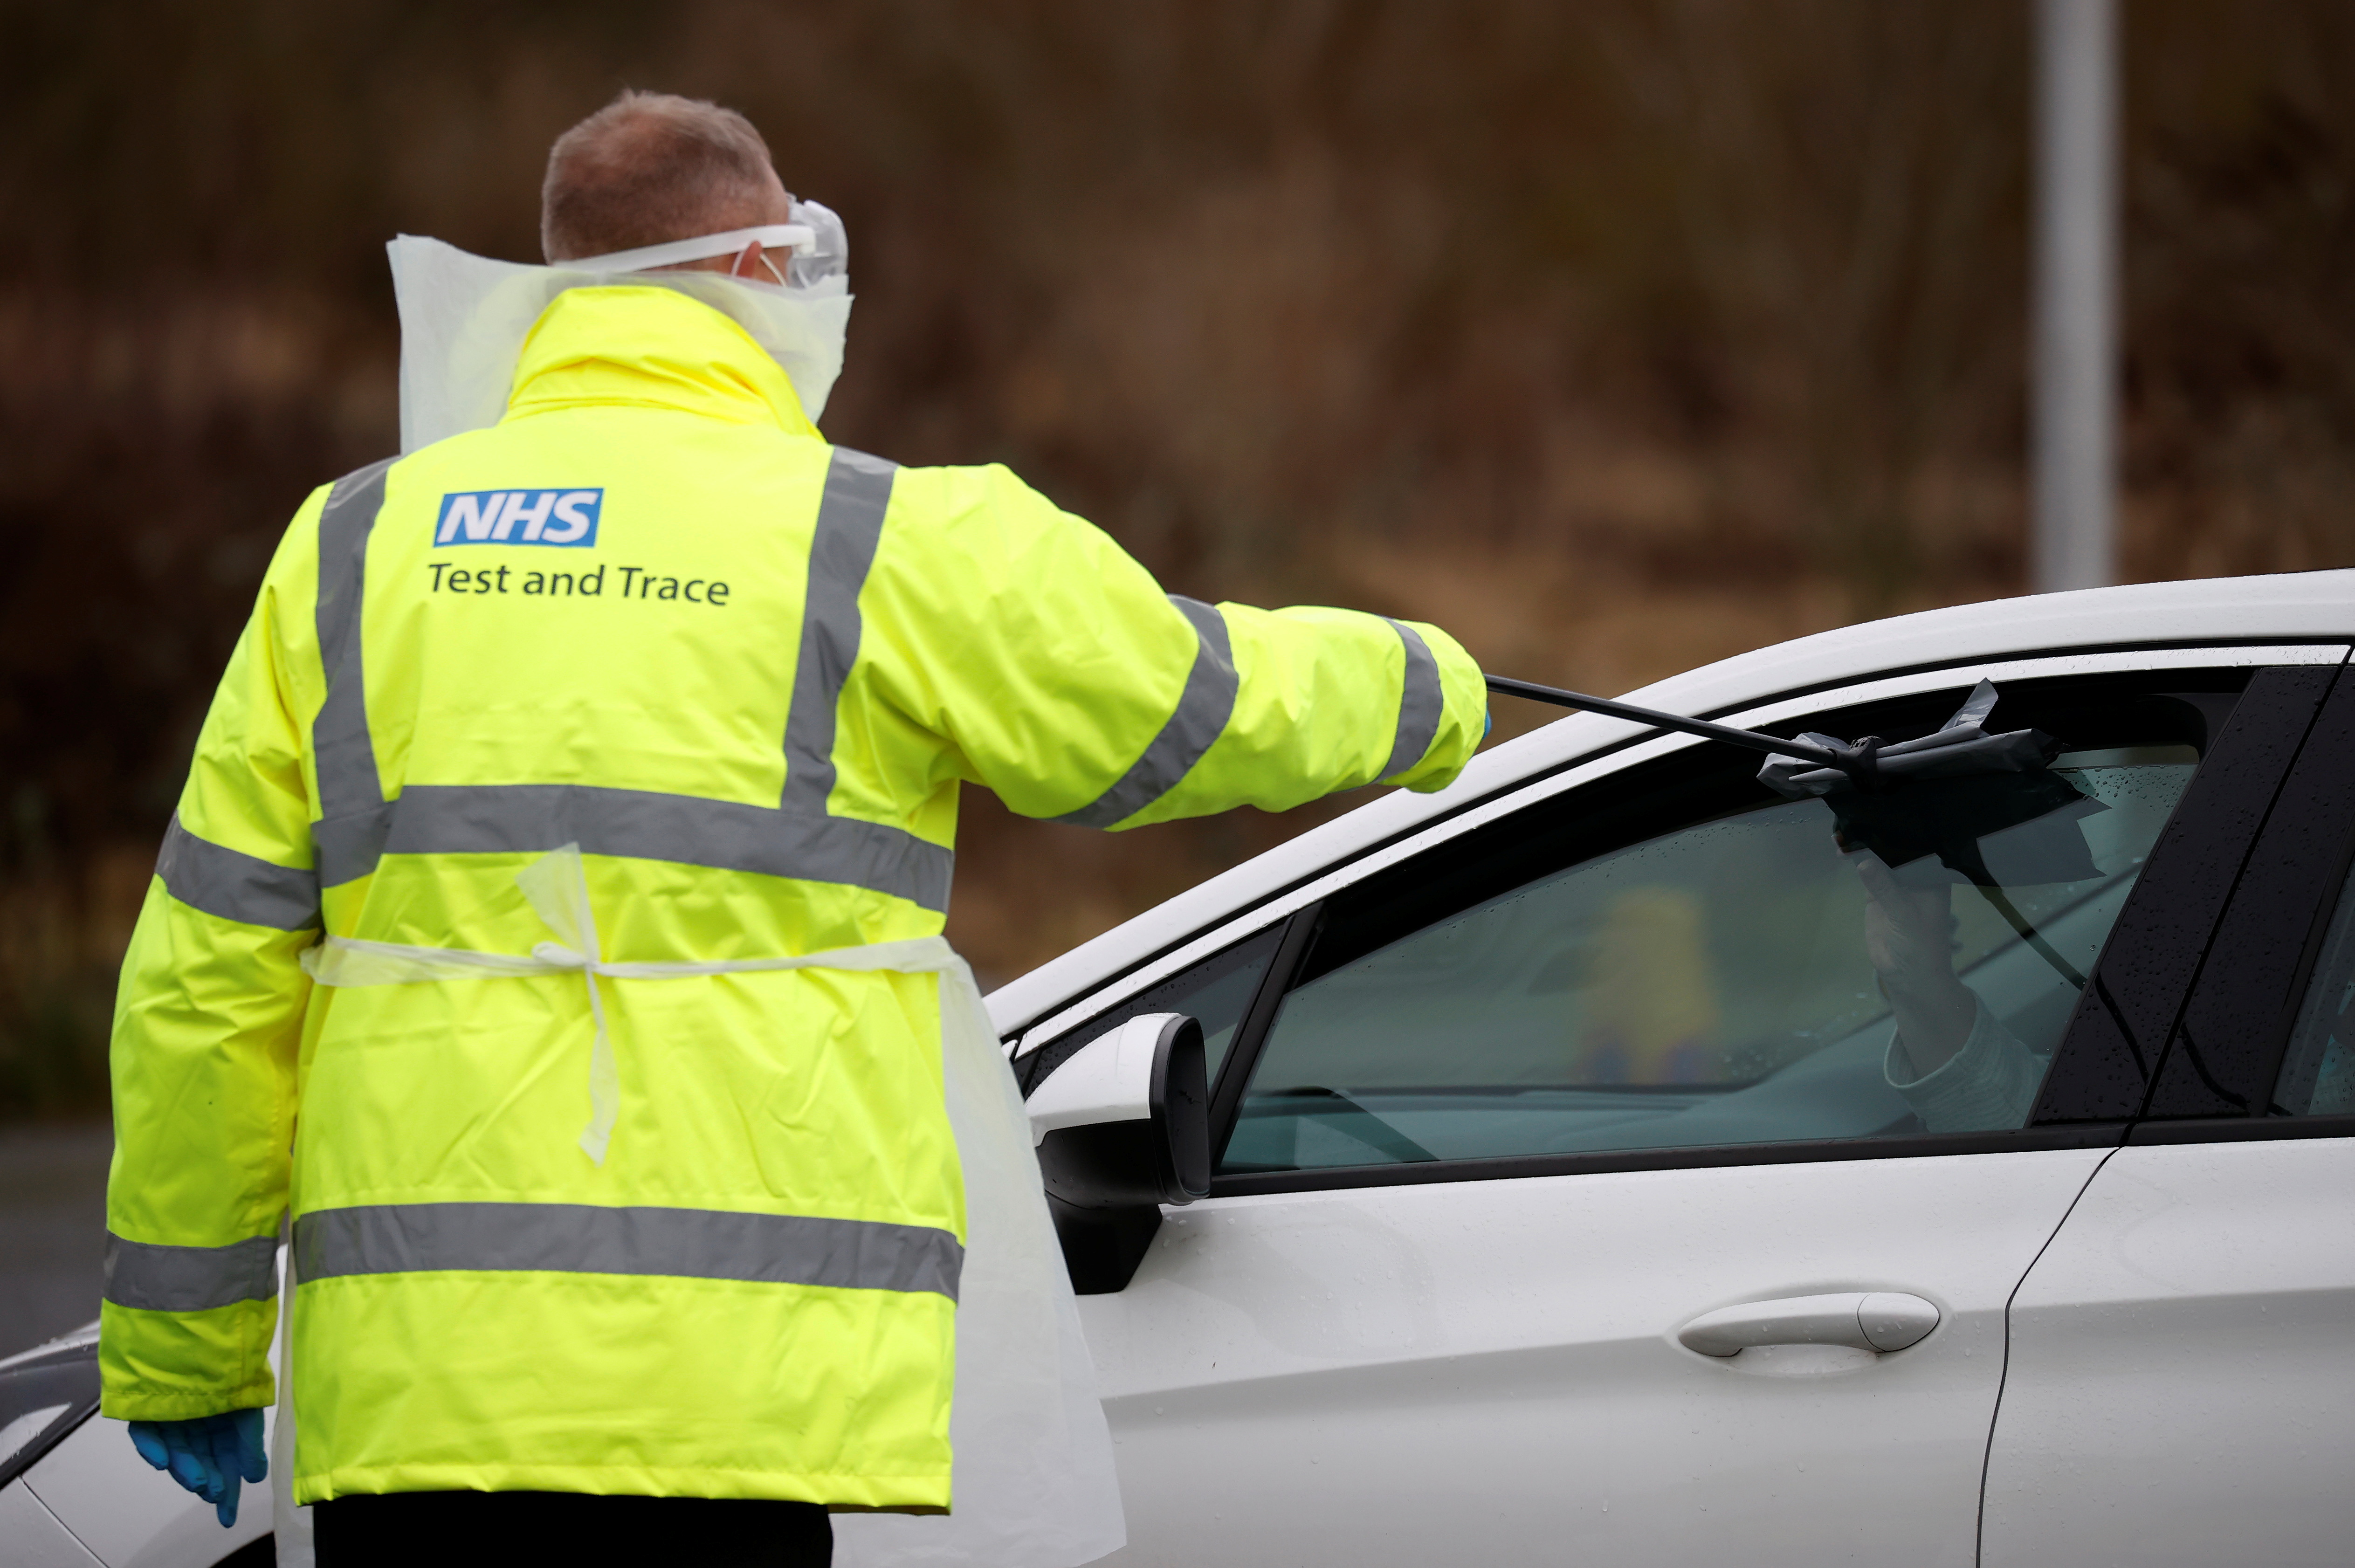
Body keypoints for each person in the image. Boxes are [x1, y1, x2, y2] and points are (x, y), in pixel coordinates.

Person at [98, 89, 1486, 1566]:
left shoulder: (354, 543)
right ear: (757, 268)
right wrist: (1429, 686)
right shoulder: (880, 535)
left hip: (424, 1400)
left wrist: (188, 1345)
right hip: (743, 1397)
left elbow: (206, 978)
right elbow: (1184, 700)